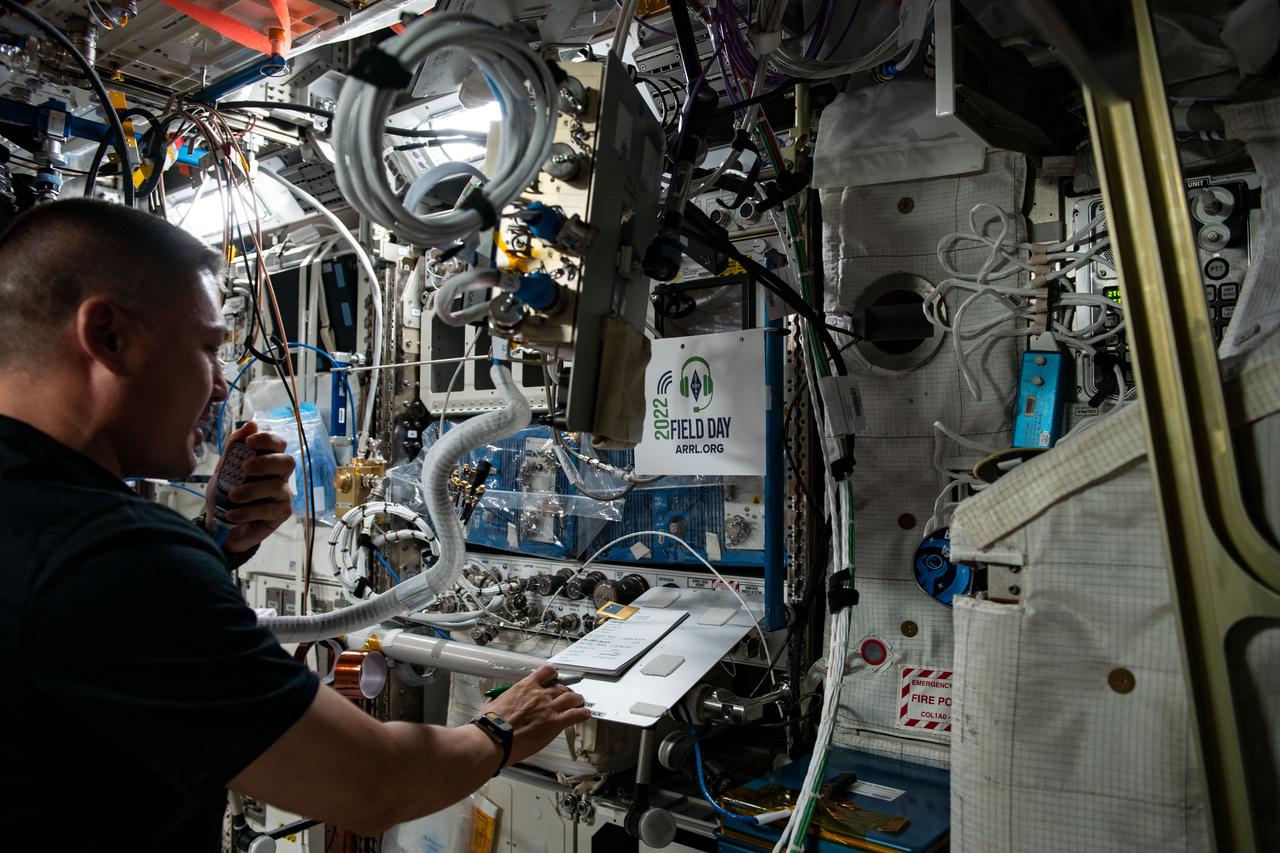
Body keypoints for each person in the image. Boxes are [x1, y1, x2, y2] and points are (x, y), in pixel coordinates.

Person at [0, 199, 590, 850]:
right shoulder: (108, 553)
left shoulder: (55, 528)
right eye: (206, 347)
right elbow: (374, 784)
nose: (223, 385)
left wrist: (212, 549)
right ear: (108, 337)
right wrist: (501, 728)